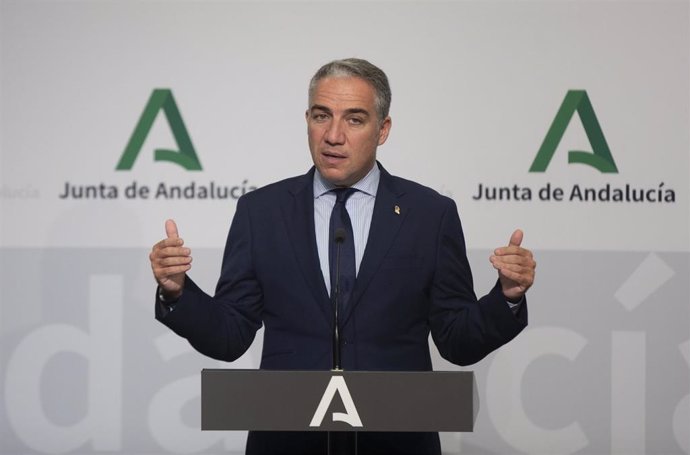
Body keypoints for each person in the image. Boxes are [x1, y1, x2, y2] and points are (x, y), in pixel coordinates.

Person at [149, 58, 536, 455]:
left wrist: (506, 297)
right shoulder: (261, 212)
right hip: (288, 443)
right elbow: (229, 335)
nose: (333, 135)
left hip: (396, 444)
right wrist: (178, 293)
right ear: (307, 120)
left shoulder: (429, 215)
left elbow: (458, 340)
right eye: (322, 116)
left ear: (382, 130)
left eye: (354, 119)